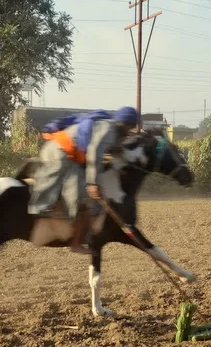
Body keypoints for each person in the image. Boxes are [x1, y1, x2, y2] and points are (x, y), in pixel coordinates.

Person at [28, 106, 139, 254]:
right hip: (60, 153)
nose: (128, 132)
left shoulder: (109, 129)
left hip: (63, 152)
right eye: (129, 128)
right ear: (125, 124)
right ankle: (72, 240)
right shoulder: (109, 130)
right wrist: (92, 183)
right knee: (83, 198)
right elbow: (94, 154)